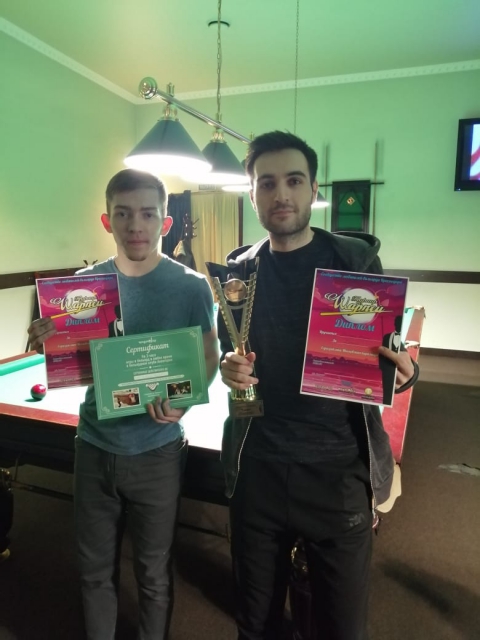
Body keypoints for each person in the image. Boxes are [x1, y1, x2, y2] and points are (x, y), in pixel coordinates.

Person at [217, 131, 419, 640]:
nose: (281, 194)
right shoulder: (238, 274)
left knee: (342, 629)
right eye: (267, 183)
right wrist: (227, 368)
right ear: (252, 194)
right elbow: (229, 351)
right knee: (255, 626)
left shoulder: (355, 262)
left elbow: (389, 350)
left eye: (293, 180)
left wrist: (405, 372)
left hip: (338, 473)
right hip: (258, 468)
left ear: (313, 189)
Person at [27, 169, 219, 640]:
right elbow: (68, 358)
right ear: (106, 220)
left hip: (158, 450)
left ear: (165, 222)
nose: (136, 225)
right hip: (93, 445)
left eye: (148, 214)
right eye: (123, 213)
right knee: (93, 571)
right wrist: (44, 341)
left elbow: (209, 355)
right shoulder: (81, 287)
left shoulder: (192, 286)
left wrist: (183, 402)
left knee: (153, 573)